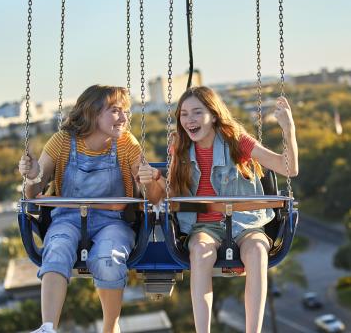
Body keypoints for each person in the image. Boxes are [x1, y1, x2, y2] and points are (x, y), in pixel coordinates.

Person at [139, 86, 298, 333]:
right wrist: (156, 178)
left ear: (213, 115)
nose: (189, 120)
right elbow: (169, 196)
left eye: (196, 112)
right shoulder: (179, 146)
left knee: (257, 250)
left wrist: (288, 130)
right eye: (184, 114)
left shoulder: (237, 141)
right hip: (203, 225)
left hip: (246, 222)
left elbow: (288, 169)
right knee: (200, 252)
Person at [19, 85, 154, 333]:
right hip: (67, 218)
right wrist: (32, 175)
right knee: (57, 248)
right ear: (92, 113)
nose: (124, 118)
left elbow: (152, 196)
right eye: (115, 111)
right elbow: (33, 195)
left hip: (112, 221)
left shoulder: (126, 144)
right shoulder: (61, 142)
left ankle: (110, 327)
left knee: (108, 258)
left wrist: (147, 180)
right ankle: (48, 327)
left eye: (125, 111)